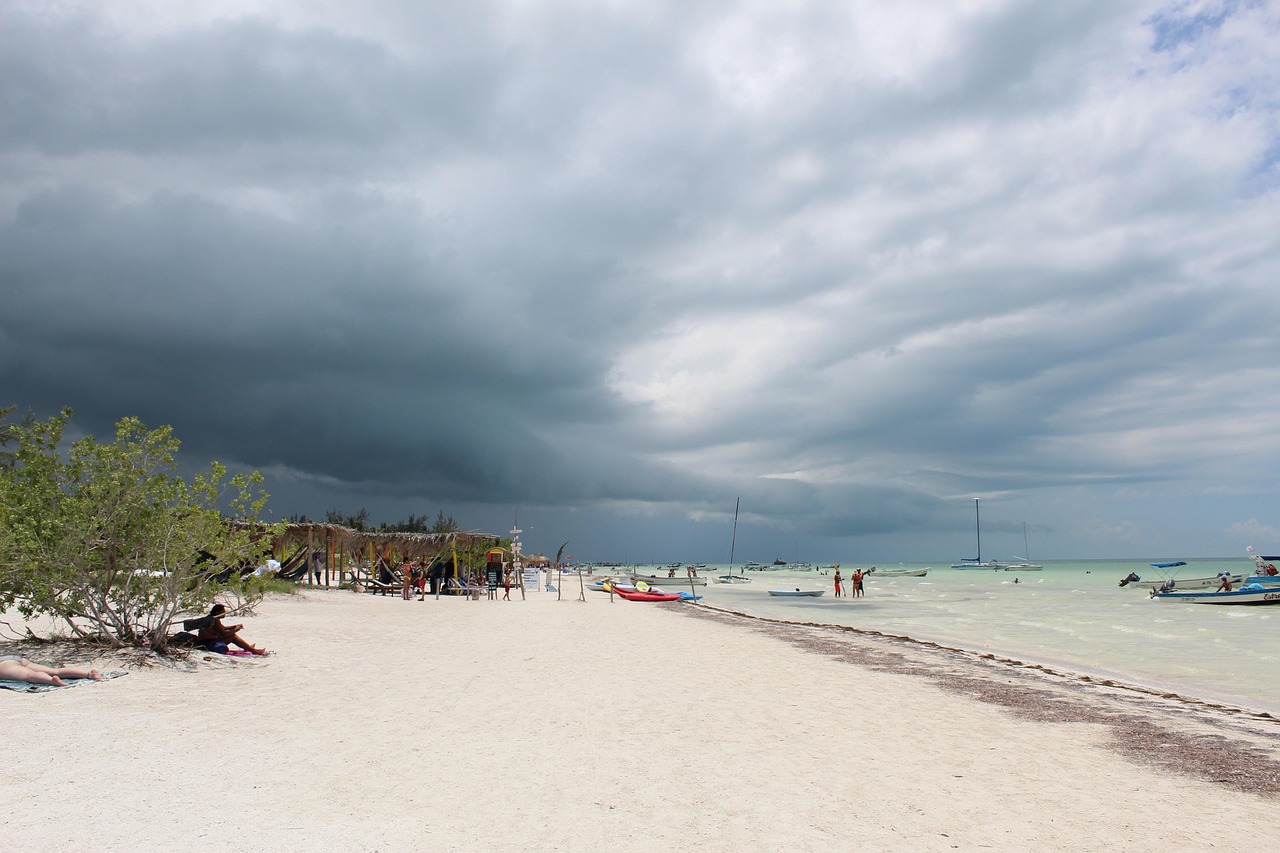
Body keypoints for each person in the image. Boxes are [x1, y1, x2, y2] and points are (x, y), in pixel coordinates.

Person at [197, 604, 267, 655]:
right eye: (223, 612)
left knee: (232, 635)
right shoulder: (215, 620)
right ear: (217, 613)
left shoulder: (211, 618)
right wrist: (236, 629)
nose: (224, 613)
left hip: (206, 642)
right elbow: (224, 633)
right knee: (233, 636)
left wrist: (234, 626)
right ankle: (254, 650)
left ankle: (247, 647)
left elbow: (222, 628)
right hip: (208, 644)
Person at [0, 655, 102, 686]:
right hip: (13, 658)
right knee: (55, 671)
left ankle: (51, 681)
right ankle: (88, 674)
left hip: (3, 665)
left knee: (29, 675)